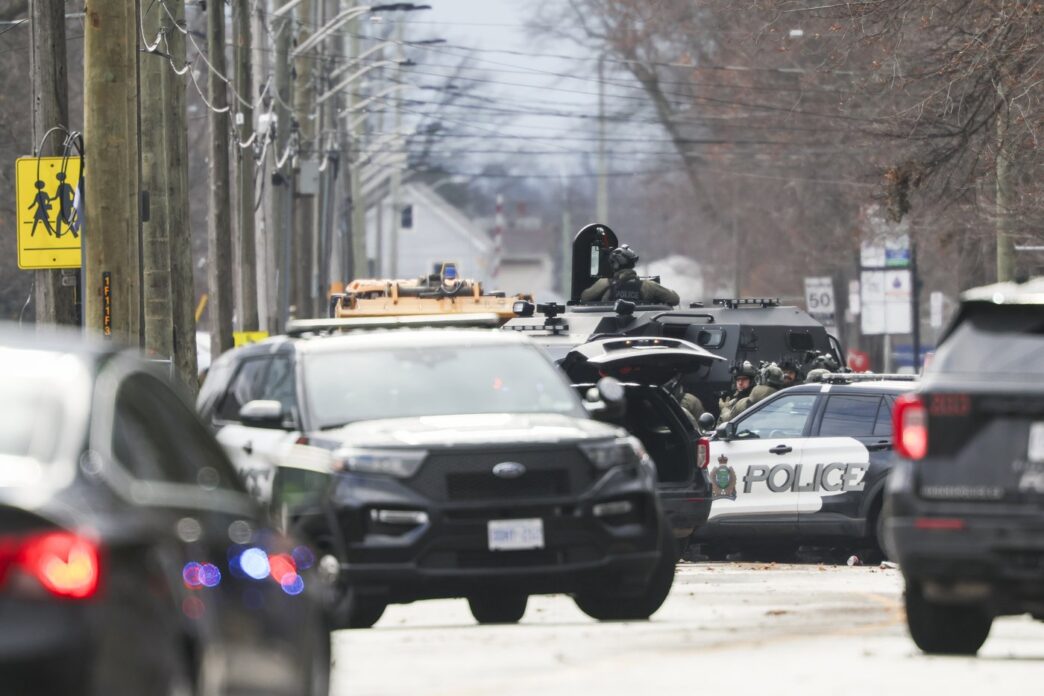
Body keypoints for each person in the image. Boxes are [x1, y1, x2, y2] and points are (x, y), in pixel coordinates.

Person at [579, 244, 680, 305]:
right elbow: (674, 299)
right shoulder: (648, 286)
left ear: (615, 264)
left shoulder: (605, 283)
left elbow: (584, 297)